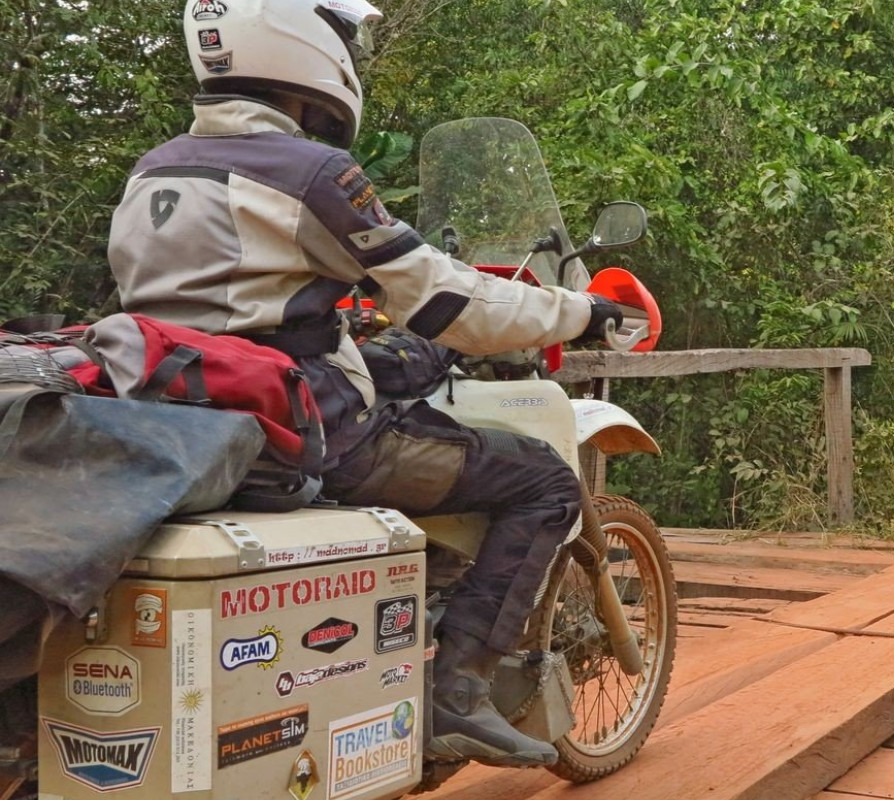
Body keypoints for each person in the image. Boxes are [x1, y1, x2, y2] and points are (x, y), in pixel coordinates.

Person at [106, 0, 622, 768]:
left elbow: (220, 309)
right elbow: (450, 303)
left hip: (174, 415)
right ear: (302, 36)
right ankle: (459, 697)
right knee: (544, 482)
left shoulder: (156, 166)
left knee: (395, 373)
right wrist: (577, 312)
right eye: (344, 33)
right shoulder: (308, 171)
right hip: (304, 432)